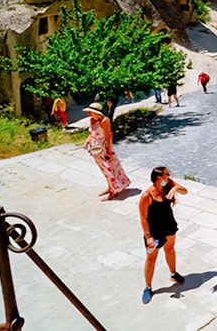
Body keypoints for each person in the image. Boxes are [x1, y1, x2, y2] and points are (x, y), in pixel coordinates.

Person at [139, 166, 188, 304]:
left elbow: (185, 191)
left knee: (170, 249)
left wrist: (175, 188)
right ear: (158, 177)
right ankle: (148, 287)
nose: (169, 175)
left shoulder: (169, 185)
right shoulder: (146, 196)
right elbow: (143, 219)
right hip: (154, 231)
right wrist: (148, 237)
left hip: (169, 225)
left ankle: (173, 273)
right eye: (167, 174)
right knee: (151, 259)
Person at [82, 102, 131, 200]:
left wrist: (109, 151)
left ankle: (114, 190)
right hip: (95, 150)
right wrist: (87, 141)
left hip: (103, 149)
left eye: (91, 112)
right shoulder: (92, 120)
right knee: (104, 170)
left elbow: (109, 137)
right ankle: (110, 187)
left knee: (109, 170)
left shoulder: (104, 121)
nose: (90, 114)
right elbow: (91, 133)